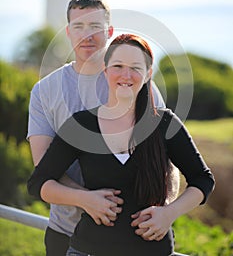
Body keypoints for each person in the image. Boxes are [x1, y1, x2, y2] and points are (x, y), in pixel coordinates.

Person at [28, 34, 215, 256]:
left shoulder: (165, 123)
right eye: (118, 66)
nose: (126, 75)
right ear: (105, 71)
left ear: (147, 75)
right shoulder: (81, 124)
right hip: (88, 250)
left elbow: (203, 180)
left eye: (135, 67)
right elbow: (39, 183)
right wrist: (84, 199)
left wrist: (169, 213)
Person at [27, 0, 166, 256]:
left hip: (133, 234)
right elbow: (43, 165)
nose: (86, 35)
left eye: (95, 27)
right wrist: (88, 200)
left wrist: (164, 210)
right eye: (78, 27)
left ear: (110, 32)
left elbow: (165, 155)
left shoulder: (136, 83)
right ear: (68, 32)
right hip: (65, 232)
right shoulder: (45, 91)